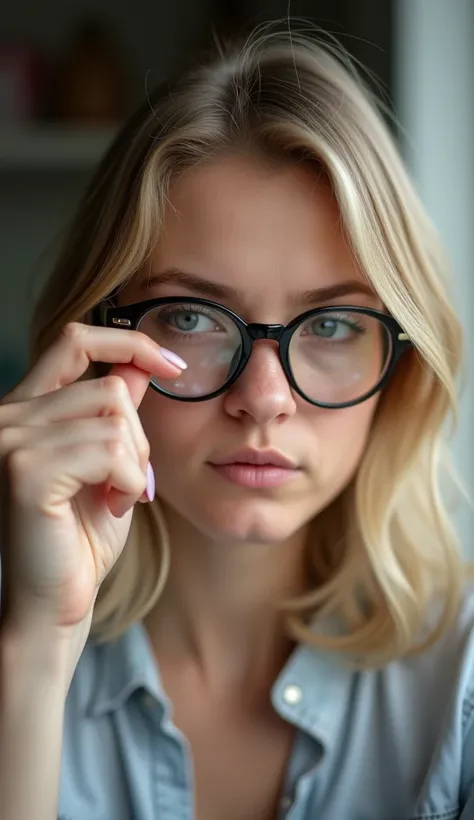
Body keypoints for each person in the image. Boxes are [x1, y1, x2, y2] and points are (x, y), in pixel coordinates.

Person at [0, 23, 472, 820]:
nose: (264, 398)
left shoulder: (459, 685)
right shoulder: (20, 631)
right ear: (97, 338)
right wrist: (38, 648)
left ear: (403, 367)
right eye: (193, 315)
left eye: (330, 327)